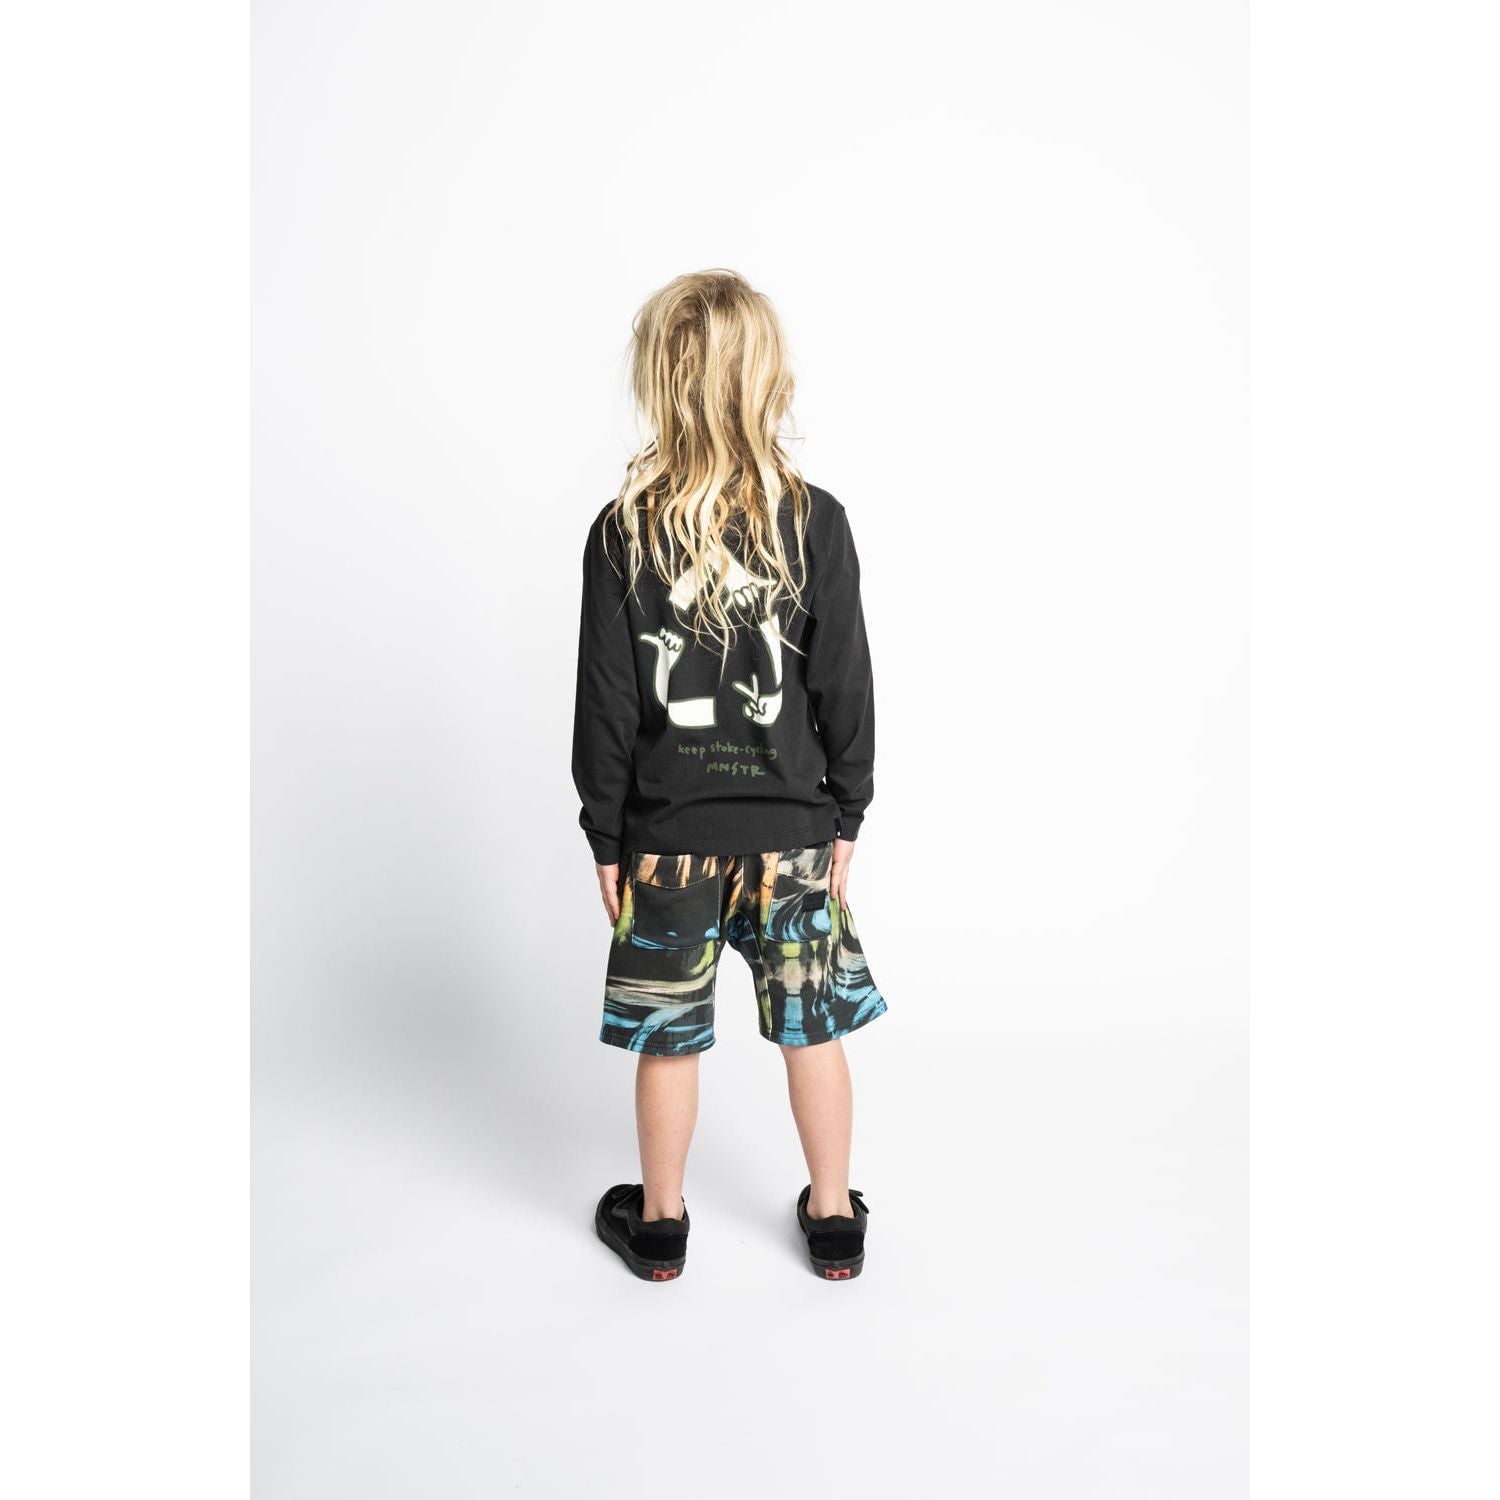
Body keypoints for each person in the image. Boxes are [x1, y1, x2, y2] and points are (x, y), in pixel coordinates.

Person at [572, 269, 887, 1283]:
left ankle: (660, 1224)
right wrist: (847, 813)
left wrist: (607, 835)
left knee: (668, 1038)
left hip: (668, 839)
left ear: (661, 383)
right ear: (769, 379)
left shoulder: (624, 532)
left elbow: (607, 706)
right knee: (812, 1027)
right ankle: (833, 1219)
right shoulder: (815, 521)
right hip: (794, 833)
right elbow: (845, 684)